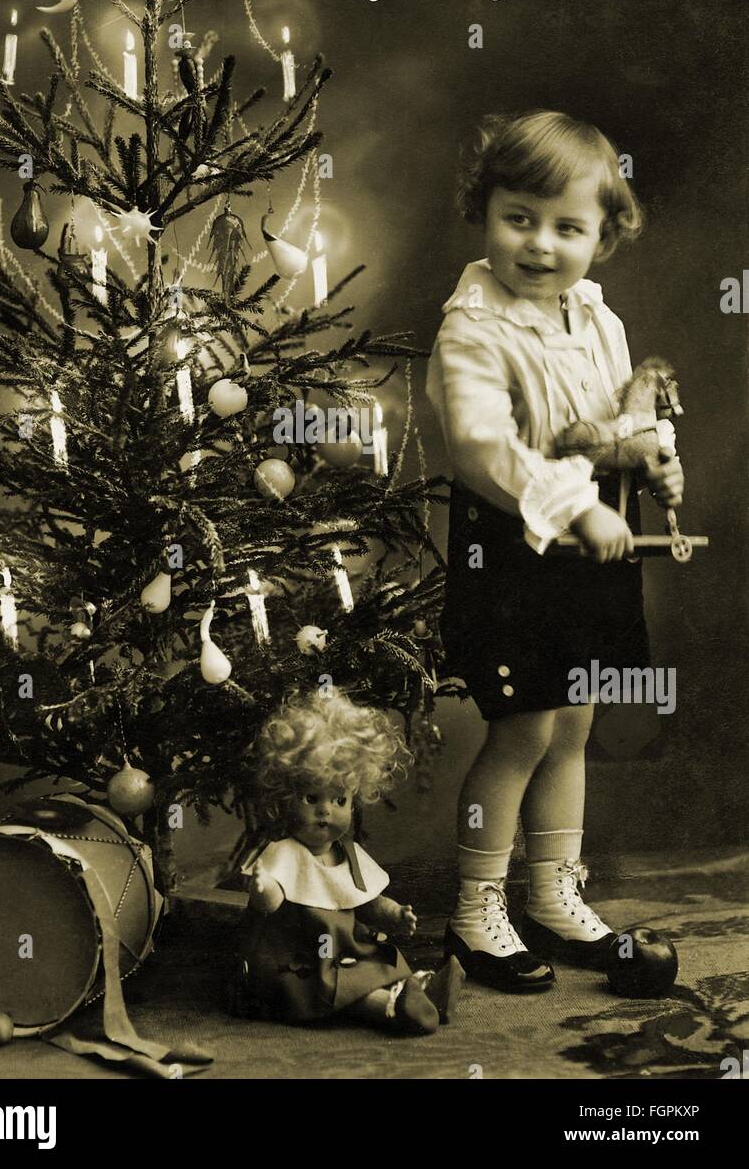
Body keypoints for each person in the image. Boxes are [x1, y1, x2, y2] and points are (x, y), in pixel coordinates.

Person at [425, 110, 684, 992]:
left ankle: (551, 891)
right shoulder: (472, 326)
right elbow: (483, 449)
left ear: (603, 236)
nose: (541, 245)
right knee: (522, 728)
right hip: (515, 551)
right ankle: (474, 908)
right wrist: (577, 510)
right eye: (519, 218)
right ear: (484, 209)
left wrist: (656, 455)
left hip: (596, 550)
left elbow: (620, 415)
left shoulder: (594, 315)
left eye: (568, 228)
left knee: (574, 722)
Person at [235, 691, 463, 1033]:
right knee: (331, 985)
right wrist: (261, 887)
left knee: (376, 961)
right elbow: (270, 903)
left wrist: (394, 914)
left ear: (355, 799)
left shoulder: (350, 854)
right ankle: (391, 1007)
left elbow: (367, 901)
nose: (325, 810)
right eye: (312, 798)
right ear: (286, 797)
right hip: (297, 959)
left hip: (347, 950)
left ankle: (420, 992)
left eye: (338, 799)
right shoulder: (282, 852)